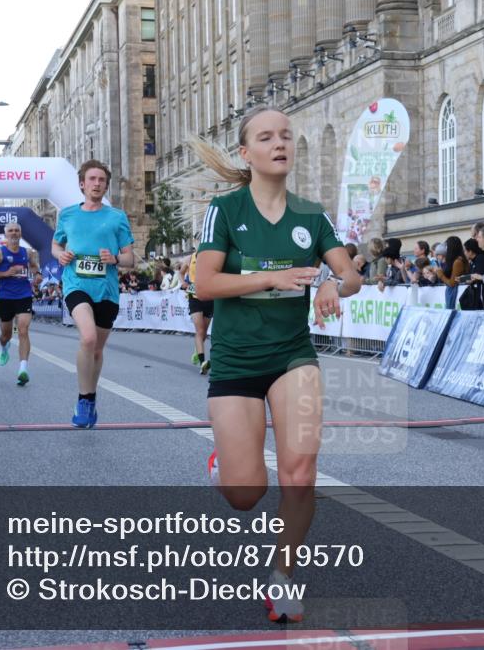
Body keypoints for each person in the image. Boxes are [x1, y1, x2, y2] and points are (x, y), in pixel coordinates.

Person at [191, 105, 361, 623]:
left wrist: (334, 282)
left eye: (285, 135)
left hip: (293, 356)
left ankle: (282, 576)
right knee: (247, 493)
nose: (279, 143)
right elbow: (205, 284)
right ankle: (226, 463)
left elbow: (351, 275)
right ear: (247, 153)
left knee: (301, 472)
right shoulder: (225, 210)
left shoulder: (311, 215)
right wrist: (271, 278)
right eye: (266, 137)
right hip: (237, 359)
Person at [53, 159, 135, 427]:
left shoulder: (116, 217)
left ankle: (91, 397)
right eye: (92, 179)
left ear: (106, 186)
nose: (97, 184)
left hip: (106, 290)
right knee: (87, 338)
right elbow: (55, 245)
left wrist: (114, 258)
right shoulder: (67, 215)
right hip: (76, 284)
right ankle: (83, 399)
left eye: (101, 180)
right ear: (82, 184)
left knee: (97, 349)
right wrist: (61, 255)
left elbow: (129, 258)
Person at [0, 221, 40, 386]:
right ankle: (3, 347)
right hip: (5, 297)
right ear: (6, 235)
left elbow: (35, 267)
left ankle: (23, 369)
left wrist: (38, 275)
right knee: (5, 335)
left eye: (17, 231)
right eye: (11, 231)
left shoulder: (27, 253)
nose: (14, 233)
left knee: (23, 330)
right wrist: (6, 273)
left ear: (20, 234)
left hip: (24, 295)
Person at [185, 247, 214, 375]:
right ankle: (203, 362)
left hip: (208, 297)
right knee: (200, 330)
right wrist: (184, 284)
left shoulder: (211, 257)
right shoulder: (189, 258)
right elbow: (180, 273)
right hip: (194, 297)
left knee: (203, 333)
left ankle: (198, 350)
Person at [435, 236, 467, 309]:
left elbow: (452, 283)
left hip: (455, 293)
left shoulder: (458, 261)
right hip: (453, 291)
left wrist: (441, 275)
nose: (445, 249)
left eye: (446, 246)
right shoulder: (454, 260)